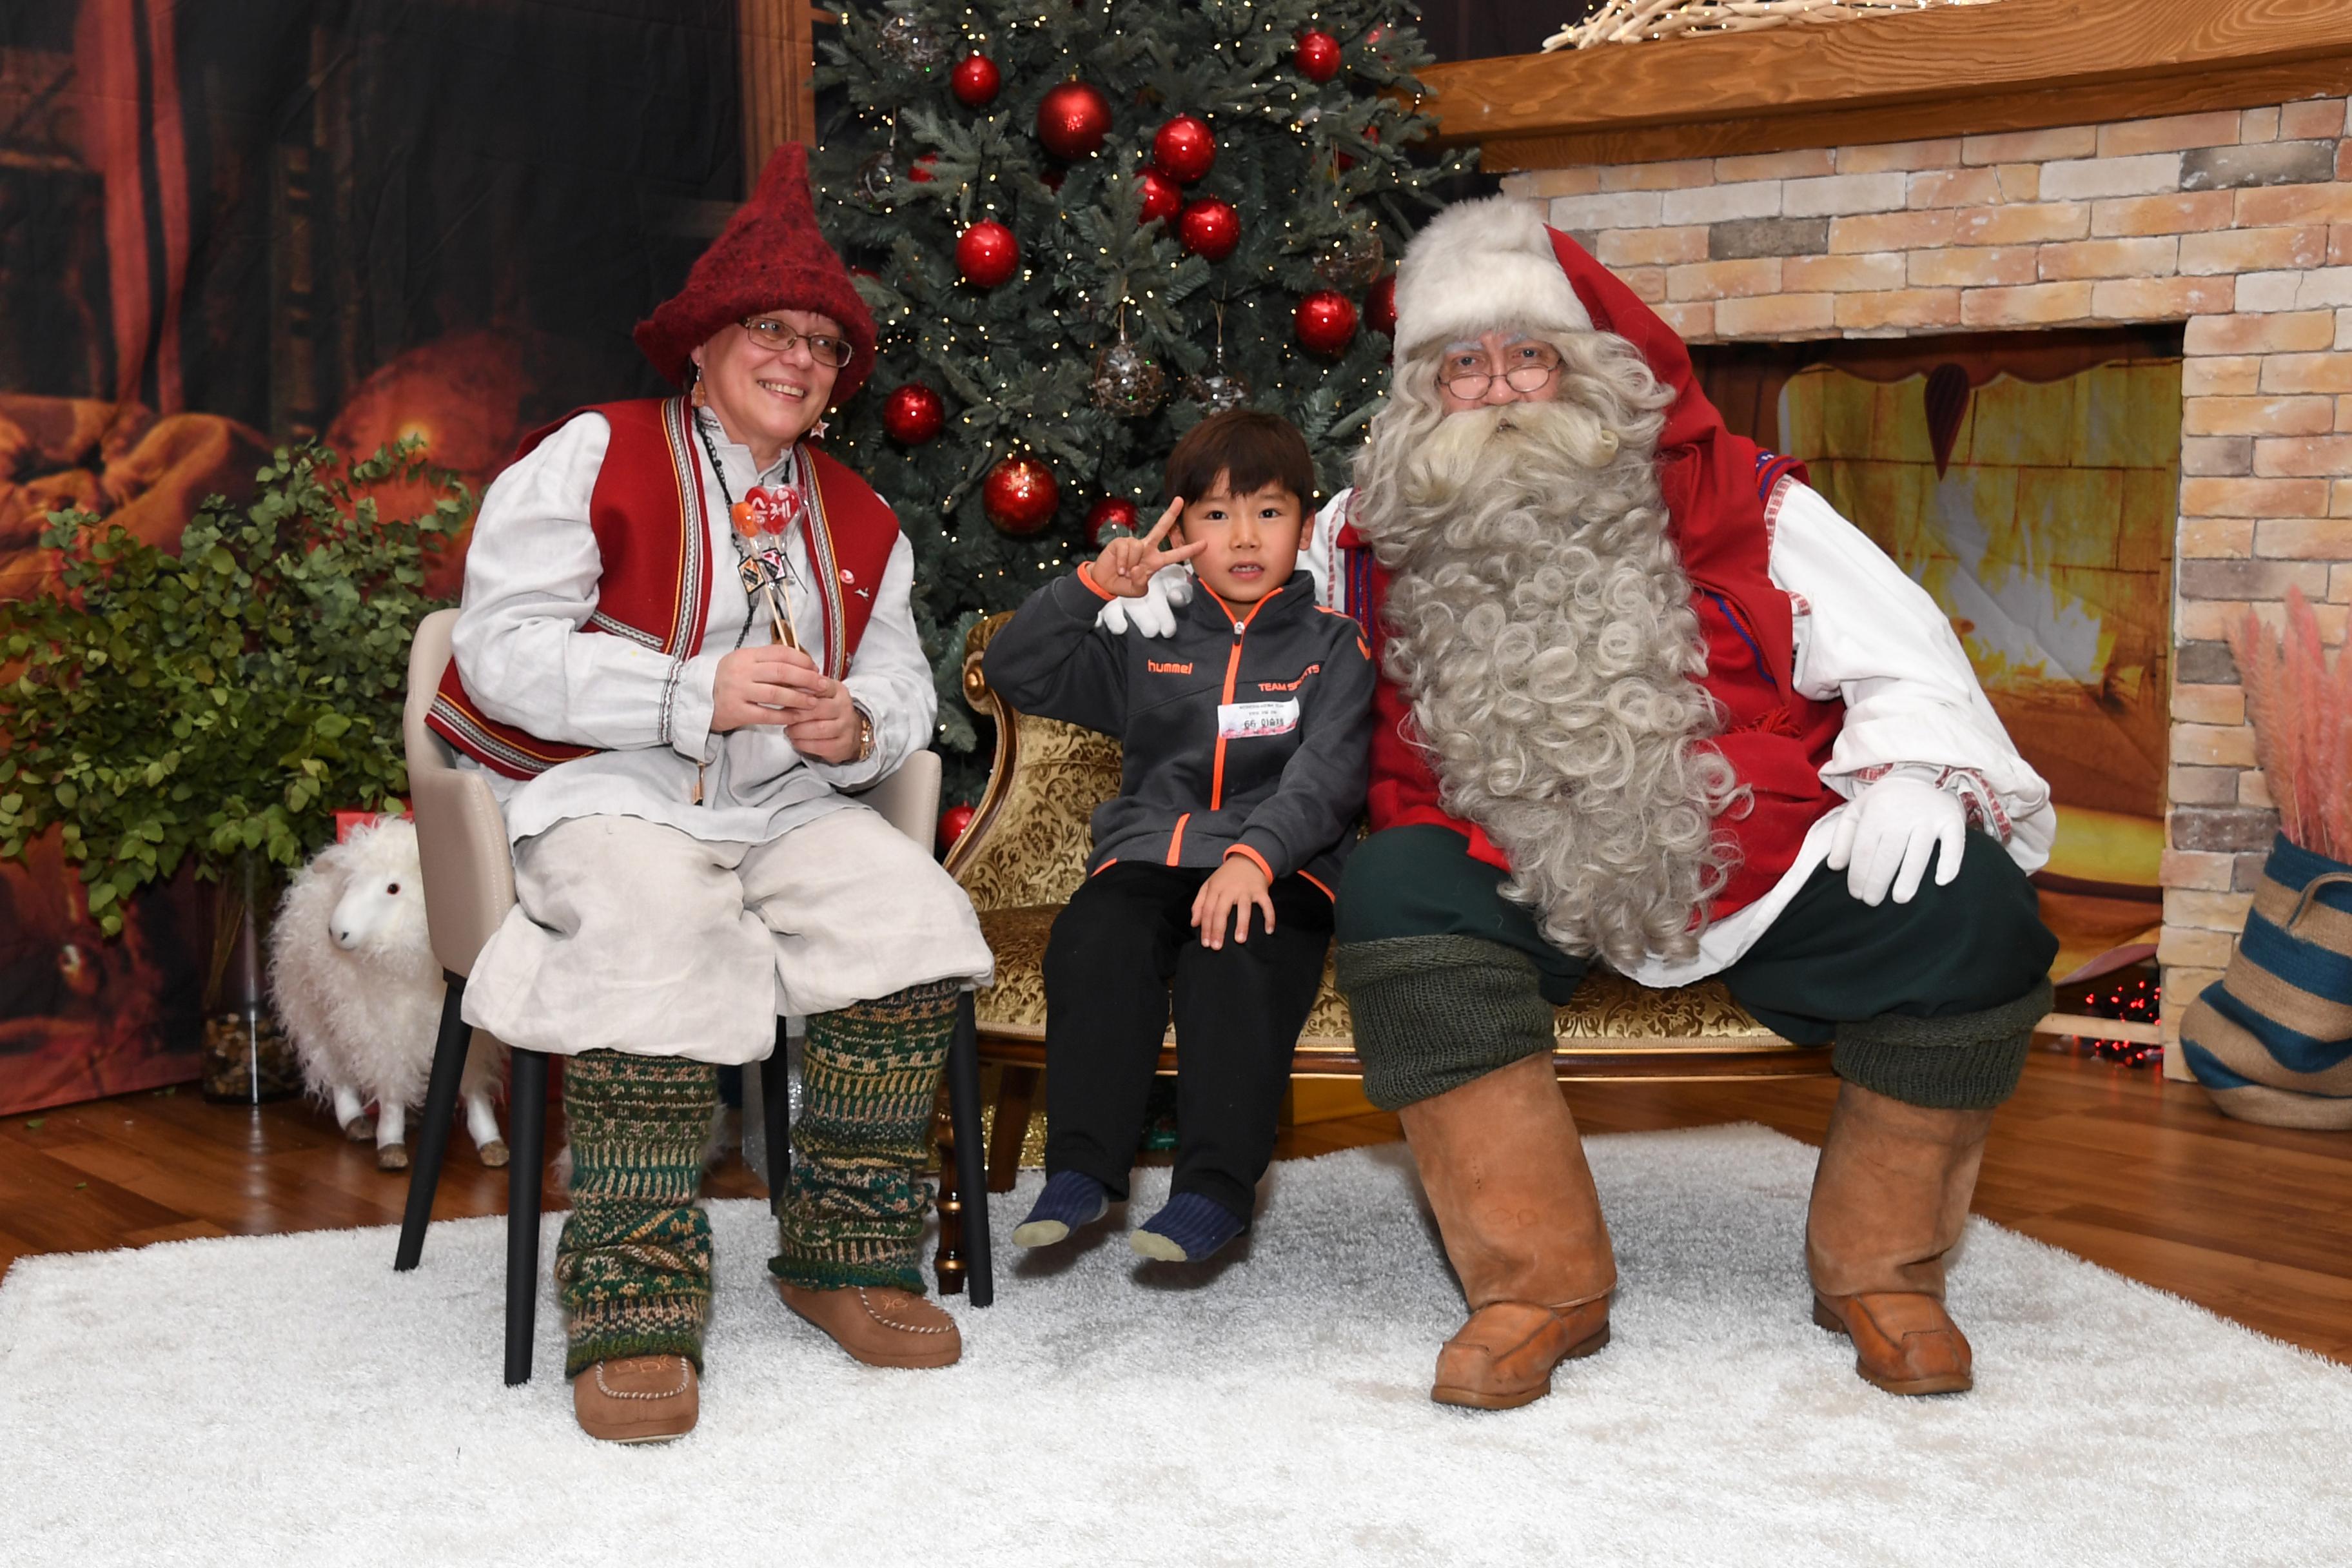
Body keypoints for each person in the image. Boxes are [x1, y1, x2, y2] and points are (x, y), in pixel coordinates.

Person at [1117, 197, 2057, 1410]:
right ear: (1422, 393)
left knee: (1968, 905)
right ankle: (1536, 1285)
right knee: (1400, 891)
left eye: (1530, 355)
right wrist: (1154, 607)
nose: (1501, 388)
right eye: (1464, 365)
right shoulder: (1360, 530)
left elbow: (1897, 649)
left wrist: (1920, 770)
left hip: (1739, 837)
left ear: (1590, 368)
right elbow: (1234, 582)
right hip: (1494, 849)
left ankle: (1887, 1273)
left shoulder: (1744, 500)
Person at [426, 144, 995, 1443]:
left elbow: (906, 691)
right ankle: (632, 1297)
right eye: (768, 331)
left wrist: (855, 721)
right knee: (654, 931)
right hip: (605, 792)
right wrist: (690, 694)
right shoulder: (592, 454)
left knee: (910, 921)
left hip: (785, 806)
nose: (797, 358)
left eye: (823, 345)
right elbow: (499, 648)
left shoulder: (859, 518)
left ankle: (843, 1256)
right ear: (702, 345)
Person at [981, 411, 1375, 1264]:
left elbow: (1328, 778)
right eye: (1216, 514)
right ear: (1180, 528)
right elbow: (1015, 671)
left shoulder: (1335, 649)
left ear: (1305, 527)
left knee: (1232, 954)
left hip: (1281, 870)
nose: (1243, 536)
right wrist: (1091, 588)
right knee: (1096, 937)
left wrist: (1253, 858)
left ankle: (1213, 1190)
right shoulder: (1144, 642)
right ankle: (1083, 1169)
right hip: (1151, 856)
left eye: (1268, 513)